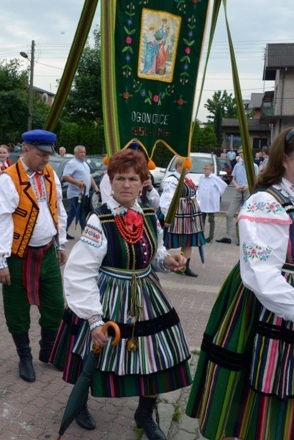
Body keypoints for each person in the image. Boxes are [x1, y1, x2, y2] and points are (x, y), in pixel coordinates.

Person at [186, 127, 294, 440]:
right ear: (286, 159)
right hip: (271, 309)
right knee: (265, 387)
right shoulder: (265, 203)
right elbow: (261, 273)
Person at [51, 148, 190, 439]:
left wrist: (166, 260)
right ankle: (81, 403)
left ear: (143, 183)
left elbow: (154, 253)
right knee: (92, 352)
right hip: (108, 295)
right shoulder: (98, 220)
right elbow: (80, 272)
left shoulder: (150, 215)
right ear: (110, 182)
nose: (126, 184)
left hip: (147, 294)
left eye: (133, 179)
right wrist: (93, 319)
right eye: (119, 179)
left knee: (155, 357)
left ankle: (144, 413)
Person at [0, 129, 67, 383]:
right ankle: (25, 356)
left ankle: (48, 350)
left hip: (47, 253)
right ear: (26, 149)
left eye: (48, 155)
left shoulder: (50, 174)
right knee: (17, 310)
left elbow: (58, 208)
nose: (46, 160)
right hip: (18, 256)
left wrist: (60, 243)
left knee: (55, 305)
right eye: (41, 155)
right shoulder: (8, 179)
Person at [160, 157, 206, 277]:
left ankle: (185, 267)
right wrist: (167, 217)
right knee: (167, 241)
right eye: (186, 166)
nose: (189, 168)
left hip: (189, 214)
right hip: (177, 214)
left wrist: (198, 208)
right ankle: (155, 259)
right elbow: (167, 199)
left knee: (188, 242)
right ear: (178, 166)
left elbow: (196, 195)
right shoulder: (171, 180)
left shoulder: (188, 179)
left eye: (189, 166)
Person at [216, 151, 259, 245]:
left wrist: (248, 186)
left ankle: (243, 238)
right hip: (238, 191)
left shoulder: (253, 166)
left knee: (245, 217)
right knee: (229, 214)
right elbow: (233, 178)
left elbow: (256, 179)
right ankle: (228, 236)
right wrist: (236, 186)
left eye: (243, 153)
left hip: (248, 192)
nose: (241, 154)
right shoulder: (237, 166)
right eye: (240, 153)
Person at [62, 145, 99, 239]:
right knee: (81, 213)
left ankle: (63, 232)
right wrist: (77, 182)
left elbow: (89, 176)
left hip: (84, 193)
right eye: (81, 152)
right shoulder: (71, 163)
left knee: (72, 213)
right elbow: (65, 176)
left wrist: (95, 186)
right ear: (75, 153)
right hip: (75, 194)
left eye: (84, 152)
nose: (83, 154)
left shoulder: (84, 163)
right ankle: (87, 235)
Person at [196, 162, 227, 243]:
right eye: (204, 169)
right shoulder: (201, 177)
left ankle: (211, 236)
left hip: (210, 202)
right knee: (201, 218)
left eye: (206, 169)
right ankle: (201, 234)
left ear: (210, 170)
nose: (204, 171)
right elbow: (198, 185)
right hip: (203, 201)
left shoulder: (214, 178)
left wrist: (217, 195)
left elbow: (223, 186)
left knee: (211, 219)